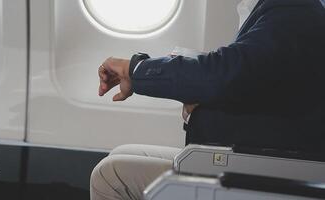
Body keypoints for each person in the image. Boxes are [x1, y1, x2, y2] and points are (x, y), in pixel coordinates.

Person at [91, 0, 325, 199]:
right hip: (256, 158)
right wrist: (139, 74)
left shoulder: (292, 9)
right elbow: (243, 81)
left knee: (110, 175)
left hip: (272, 170)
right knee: (123, 152)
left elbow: (223, 76)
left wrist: (137, 70)